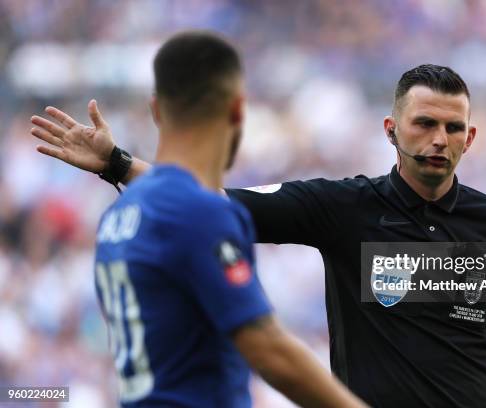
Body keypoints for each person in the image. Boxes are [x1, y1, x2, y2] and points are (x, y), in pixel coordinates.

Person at [31, 64, 486, 407]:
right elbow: (219, 202)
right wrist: (117, 164)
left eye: (454, 128)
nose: (440, 139)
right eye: (425, 123)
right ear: (391, 129)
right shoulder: (344, 207)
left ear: (470, 138)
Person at [30, 31, 366, 408]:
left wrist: (118, 164)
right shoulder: (201, 213)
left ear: (156, 110)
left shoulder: (118, 215)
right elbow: (270, 352)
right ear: (238, 111)